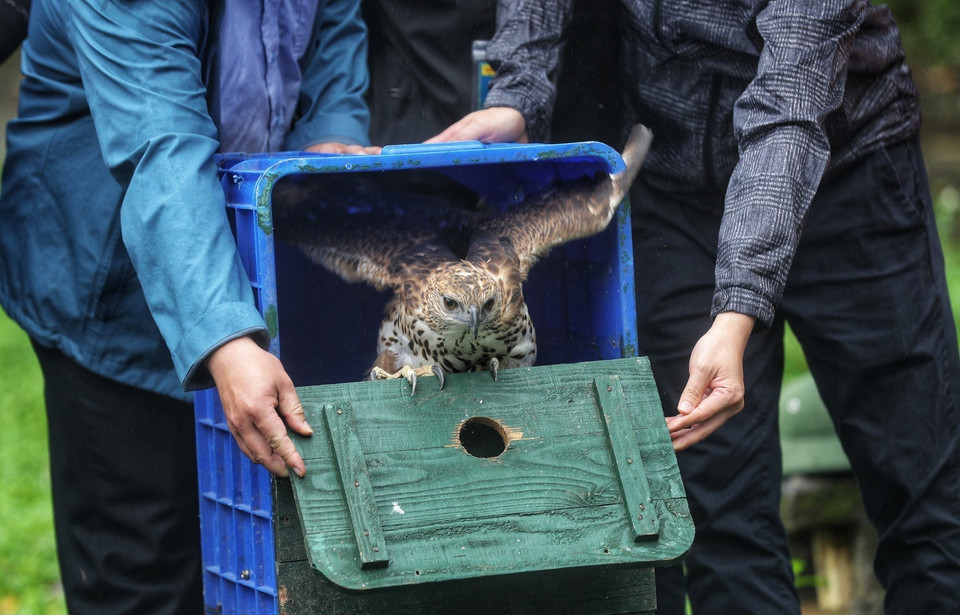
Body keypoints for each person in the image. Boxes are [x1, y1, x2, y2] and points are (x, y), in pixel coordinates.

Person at [429, 1, 960, 614]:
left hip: (851, 173)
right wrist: (518, 92)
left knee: (925, 501)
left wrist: (738, 307)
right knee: (721, 515)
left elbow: (788, 104)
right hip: (680, 193)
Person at [0, 0, 375, 612]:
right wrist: (225, 340)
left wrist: (327, 141)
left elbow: (333, 28)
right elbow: (161, 146)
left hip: (245, 264)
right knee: (142, 567)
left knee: (259, 561)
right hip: (109, 281)